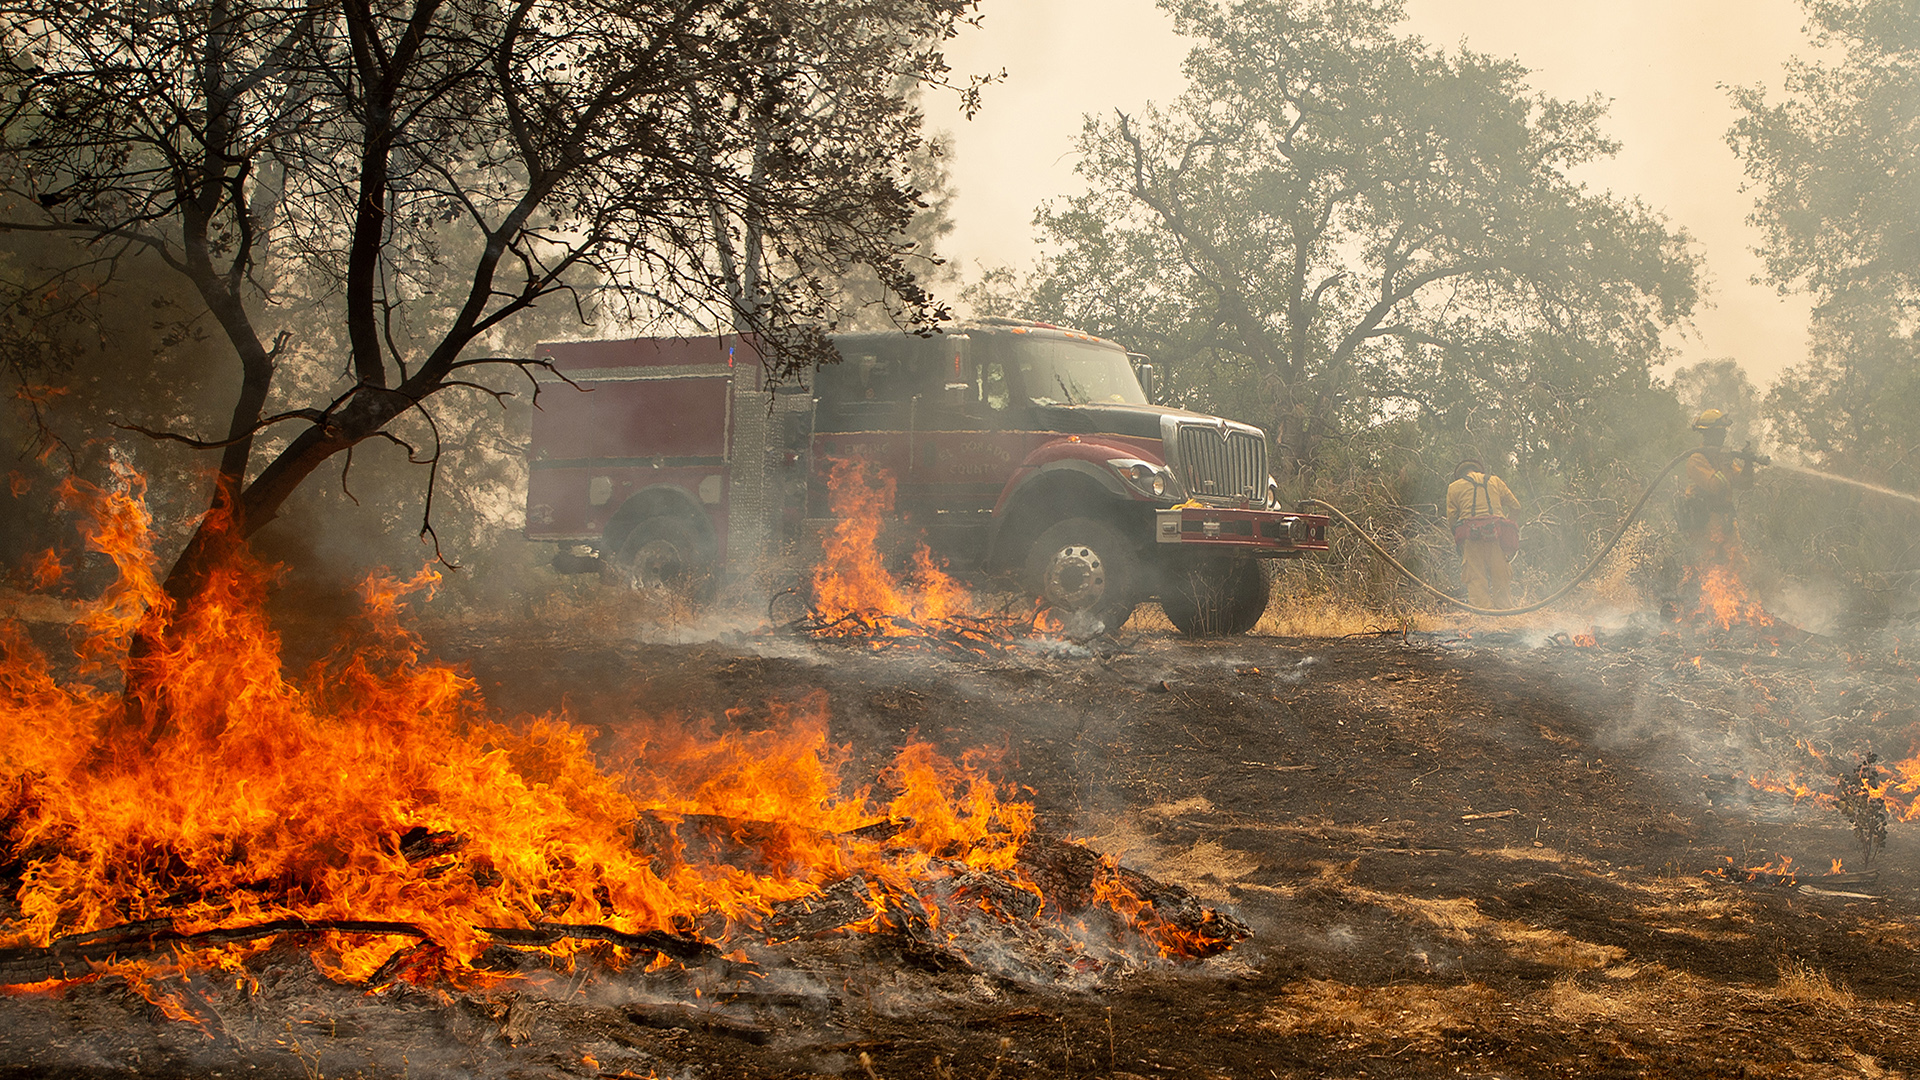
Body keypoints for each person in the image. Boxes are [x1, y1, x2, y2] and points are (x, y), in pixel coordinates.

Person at [1675, 409, 1754, 578]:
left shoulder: (1720, 457)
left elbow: (1744, 483)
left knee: (1738, 564)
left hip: (1725, 519)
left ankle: (1743, 602)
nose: (1723, 436)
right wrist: (1726, 463)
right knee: (1707, 568)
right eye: (1720, 432)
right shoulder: (1697, 459)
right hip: (1705, 523)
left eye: (1724, 432)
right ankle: (1696, 602)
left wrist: (1748, 463)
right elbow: (1715, 485)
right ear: (1708, 434)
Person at [1446, 458, 1521, 609]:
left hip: (1471, 538)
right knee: (1501, 575)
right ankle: (1505, 613)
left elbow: (1452, 520)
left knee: (1475, 577)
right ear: (1479, 470)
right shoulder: (1495, 481)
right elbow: (1516, 507)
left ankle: (1483, 615)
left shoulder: (1454, 487)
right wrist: (1507, 526)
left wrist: (1461, 540)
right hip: (1497, 536)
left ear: (1460, 475)